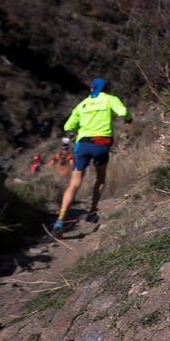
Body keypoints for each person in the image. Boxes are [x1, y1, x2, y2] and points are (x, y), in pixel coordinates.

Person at [51, 78, 131, 236]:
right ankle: (92, 211)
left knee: (74, 183)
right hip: (101, 144)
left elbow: (68, 126)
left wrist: (80, 126)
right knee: (100, 177)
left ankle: (60, 220)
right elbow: (123, 112)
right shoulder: (110, 99)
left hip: (82, 145)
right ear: (106, 88)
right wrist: (128, 119)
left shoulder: (82, 104)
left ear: (91, 89)